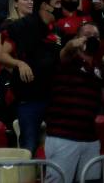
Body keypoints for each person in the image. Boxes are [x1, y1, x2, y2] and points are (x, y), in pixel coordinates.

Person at [0, 0, 62, 155]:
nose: (30, 2)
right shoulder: (16, 26)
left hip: (53, 93)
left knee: (57, 143)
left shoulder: (55, 27)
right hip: (28, 93)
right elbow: (1, 56)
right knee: (29, 144)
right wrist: (20, 64)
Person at [44, 22, 103, 183]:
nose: (92, 40)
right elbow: (66, 51)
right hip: (63, 137)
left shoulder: (99, 67)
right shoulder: (67, 60)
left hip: (89, 139)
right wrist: (72, 44)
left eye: (95, 37)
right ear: (77, 38)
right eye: (87, 35)